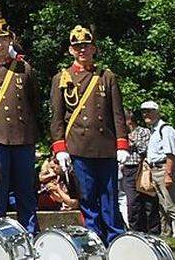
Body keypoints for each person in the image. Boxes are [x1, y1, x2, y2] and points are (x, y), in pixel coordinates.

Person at [50, 25, 130, 245]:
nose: (82, 50)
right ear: (71, 50)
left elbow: (117, 113)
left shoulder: (106, 77)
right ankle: (94, 237)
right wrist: (60, 148)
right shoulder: (61, 78)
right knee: (87, 197)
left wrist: (122, 144)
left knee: (110, 196)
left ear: (94, 48)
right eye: (77, 47)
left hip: (105, 147)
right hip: (79, 146)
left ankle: (115, 238)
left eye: (86, 46)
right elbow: (57, 117)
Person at [0, 19, 40, 234]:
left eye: (2, 39)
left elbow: (34, 103)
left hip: (23, 139)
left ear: (10, 40)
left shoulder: (24, 69)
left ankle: (30, 233)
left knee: (26, 191)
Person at [142, 101, 175, 237]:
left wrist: (168, 174)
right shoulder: (153, 131)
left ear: (157, 112)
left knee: (171, 205)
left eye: (149, 111)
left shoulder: (166, 130)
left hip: (164, 169)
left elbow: (171, 154)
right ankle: (166, 234)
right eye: (144, 111)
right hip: (155, 170)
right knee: (163, 207)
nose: (146, 114)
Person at [126, 112, 157, 232]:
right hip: (127, 170)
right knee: (133, 202)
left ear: (129, 120)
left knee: (148, 200)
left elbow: (145, 149)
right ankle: (135, 230)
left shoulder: (143, 132)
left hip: (141, 168)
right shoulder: (122, 134)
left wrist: (132, 141)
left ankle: (153, 230)